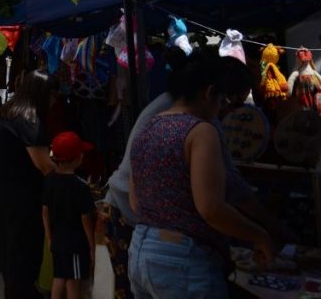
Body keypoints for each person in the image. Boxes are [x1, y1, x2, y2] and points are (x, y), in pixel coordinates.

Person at [105, 49, 289, 298]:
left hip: (140, 252)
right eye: (223, 101)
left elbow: (137, 202)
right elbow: (211, 208)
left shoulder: (149, 124)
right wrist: (261, 235)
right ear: (210, 93)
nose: (223, 111)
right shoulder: (201, 130)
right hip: (182, 260)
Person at [0, 69, 56, 299]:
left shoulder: (7, 113)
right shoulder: (29, 121)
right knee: (23, 258)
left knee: (10, 255)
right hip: (23, 199)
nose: (54, 101)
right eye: (52, 95)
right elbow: (45, 166)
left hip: (2, 192)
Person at [42, 132, 96, 299]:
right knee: (74, 281)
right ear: (77, 158)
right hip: (76, 243)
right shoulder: (80, 186)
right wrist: (91, 245)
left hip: (58, 239)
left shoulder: (50, 181)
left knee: (59, 277)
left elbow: (45, 210)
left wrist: (49, 236)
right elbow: (85, 217)